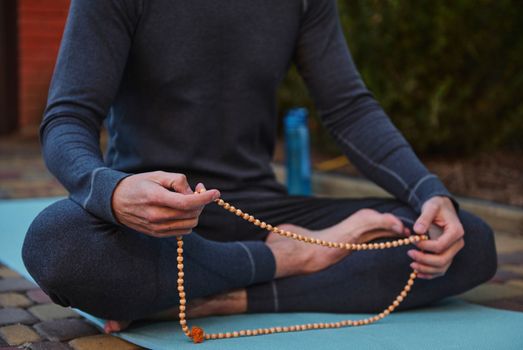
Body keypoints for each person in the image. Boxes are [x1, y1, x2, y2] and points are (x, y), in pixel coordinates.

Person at [22, 0, 496, 334]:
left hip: (263, 215)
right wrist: (112, 191)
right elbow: (68, 117)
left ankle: (220, 297)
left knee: (464, 240)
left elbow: (348, 108)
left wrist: (429, 193)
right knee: (59, 244)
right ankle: (289, 261)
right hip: (157, 226)